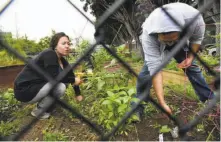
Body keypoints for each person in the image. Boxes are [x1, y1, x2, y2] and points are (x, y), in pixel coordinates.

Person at [135, 3, 215, 119]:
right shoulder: (148, 34)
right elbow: (155, 69)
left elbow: (197, 39)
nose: (170, 43)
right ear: (158, 34)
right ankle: (138, 107)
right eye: (166, 41)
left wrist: (190, 58)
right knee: (145, 76)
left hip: (181, 43)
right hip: (157, 43)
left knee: (192, 68)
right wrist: (162, 103)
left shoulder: (195, 20)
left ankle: (208, 100)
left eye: (172, 39)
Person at [14, 32, 83, 119]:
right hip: (24, 90)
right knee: (60, 86)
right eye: (63, 43)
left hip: (37, 87)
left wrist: (78, 94)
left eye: (68, 44)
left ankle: (42, 106)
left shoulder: (63, 61)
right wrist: (73, 80)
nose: (67, 46)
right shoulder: (49, 54)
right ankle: (38, 112)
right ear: (55, 46)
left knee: (64, 83)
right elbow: (56, 77)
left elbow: (71, 76)